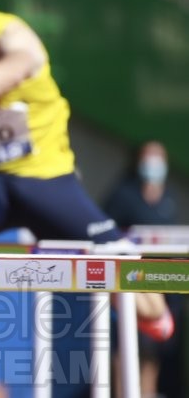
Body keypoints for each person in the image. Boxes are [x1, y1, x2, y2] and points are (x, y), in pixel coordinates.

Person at [0, 3, 173, 341]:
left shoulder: (18, 40)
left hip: (47, 187)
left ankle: (154, 312)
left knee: (141, 296)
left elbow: (10, 72)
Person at [104, 141, 183, 398]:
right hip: (130, 279)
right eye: (149, 157)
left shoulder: (169, 198)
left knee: (154, 348)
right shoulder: (123, 195)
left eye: (158, 158)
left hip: (163, 282)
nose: (154, 164)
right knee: (126, 345)